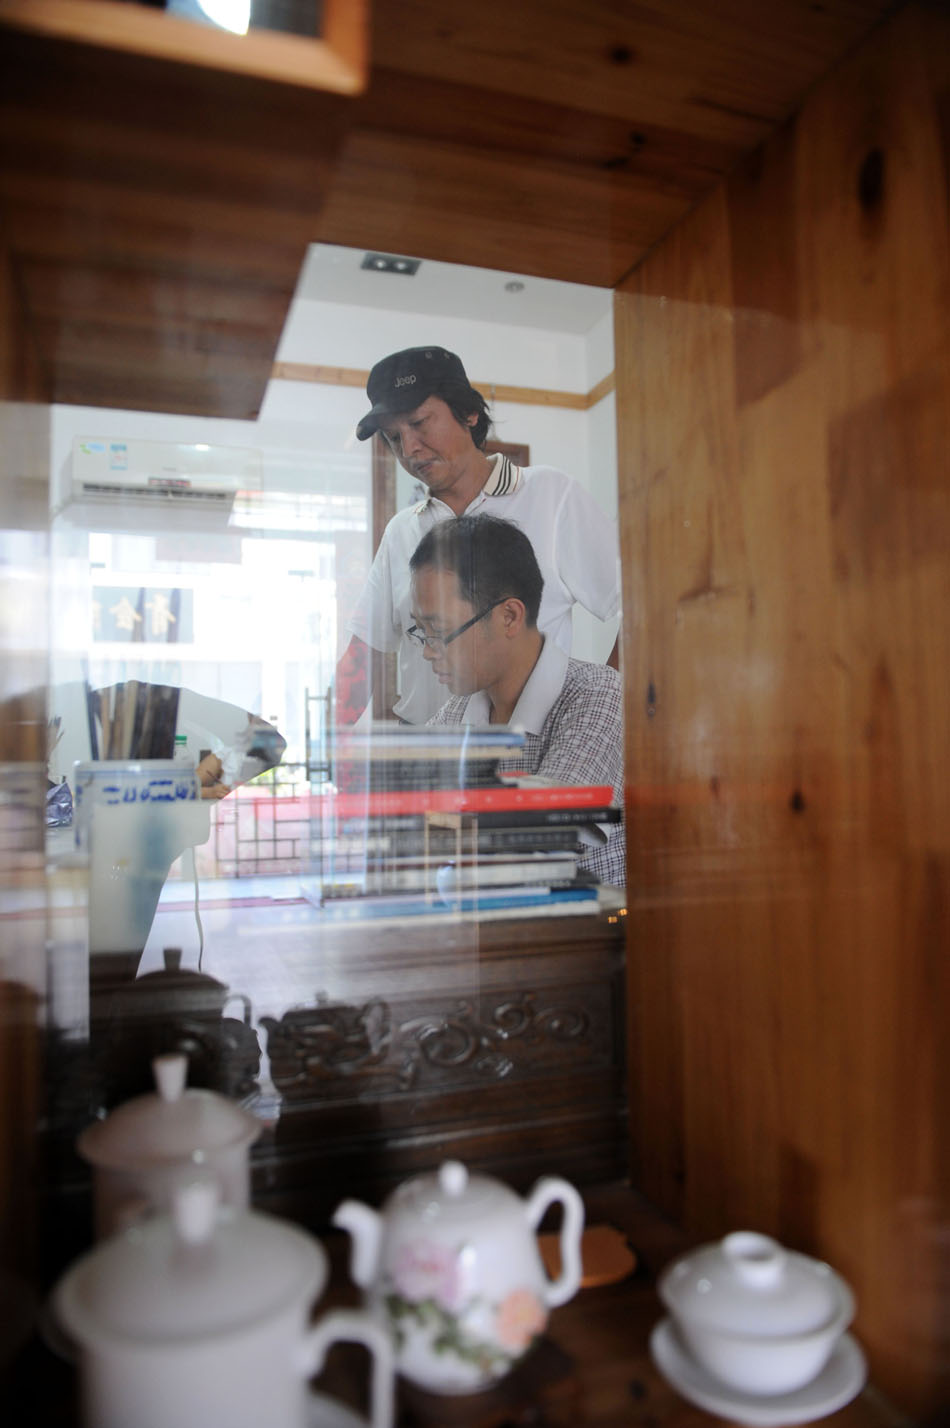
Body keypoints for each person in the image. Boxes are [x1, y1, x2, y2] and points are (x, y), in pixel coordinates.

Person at [336, 345, 621, 725]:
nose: (409, 449)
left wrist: (599, 711)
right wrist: (323, 751)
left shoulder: (552, 496)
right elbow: (364, 654)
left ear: (469, 413)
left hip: (527, 757)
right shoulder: (401, 531)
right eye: (393, 437)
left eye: (420, 423)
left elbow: (642, 611)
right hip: (428, 758)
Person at [409, 513, 625, 887]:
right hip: (486, 931)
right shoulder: (458, 711)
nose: (429, 652)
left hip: (579, 938)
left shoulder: (598, 695)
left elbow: (542, 839)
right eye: (421, 631)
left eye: (440, 632)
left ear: (509, 616)